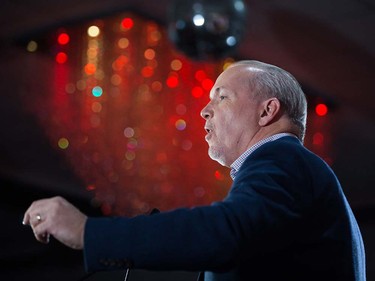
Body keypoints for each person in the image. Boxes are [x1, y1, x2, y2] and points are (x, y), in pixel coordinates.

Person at [23, 60, 366, 281]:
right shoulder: (297, 173)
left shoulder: (283, 160)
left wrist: (88, 232)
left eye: (222, 97)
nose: (204, 110)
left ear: (267, 112)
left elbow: (224, 233)